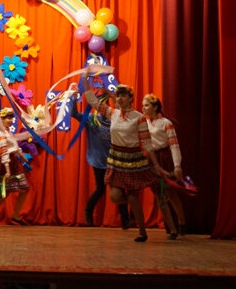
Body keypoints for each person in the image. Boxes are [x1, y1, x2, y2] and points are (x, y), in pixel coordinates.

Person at [82, 73, 177, 242]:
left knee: (133, 196)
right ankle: (135, 212)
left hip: (133, 160)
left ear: (130, 98)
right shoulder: (113, 113)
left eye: (123, 95)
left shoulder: (139, 117)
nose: (119, 98)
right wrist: (85, 81)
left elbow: (147, 143)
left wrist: (156, 165)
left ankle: (142, 232)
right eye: (118, 95)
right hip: (116, 159)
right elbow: (93, 102)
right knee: (114, 196)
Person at [70, 94, 131, 229]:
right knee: (100, 189)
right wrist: (73, 98)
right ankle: (88, 212)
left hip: (114, 161)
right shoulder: (91, 119)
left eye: (104, 106)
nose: (101, 109)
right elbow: (74, 113)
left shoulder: (115, 120)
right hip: (98, 161)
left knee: (119, 188)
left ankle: (125, 220)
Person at [142, 93, 187, 235]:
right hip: (151, 160)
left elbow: (174, 145)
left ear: (155, 107)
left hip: (164, 158)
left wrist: (177, 165)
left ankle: (181, 221)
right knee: (159, 195)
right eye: (143, 105)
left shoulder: (166, 123)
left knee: (171, 192)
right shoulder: (144, 122)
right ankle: (172, 229)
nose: (143, 108)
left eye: (146, 105)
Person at [0, 108, 31, 227]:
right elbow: (4, 151)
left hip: (13, 161)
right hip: (6, 163)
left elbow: (14, 147)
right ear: (1, 120)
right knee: (4, 191)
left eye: (11, 118)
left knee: (23, 188)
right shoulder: (0, 133)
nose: (10, 121)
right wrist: (7, 170)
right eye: (8, 118)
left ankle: (14, 215)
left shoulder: (7, 131)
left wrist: (22, 157)